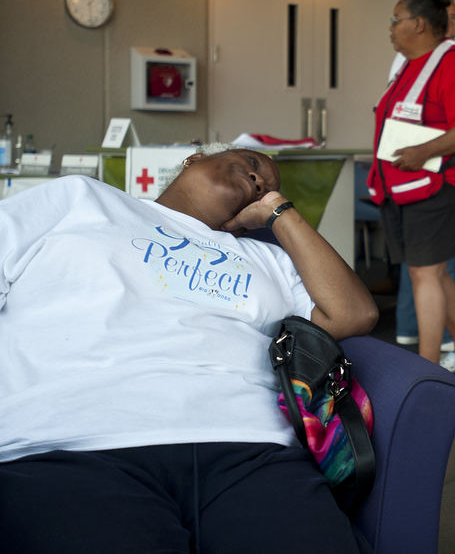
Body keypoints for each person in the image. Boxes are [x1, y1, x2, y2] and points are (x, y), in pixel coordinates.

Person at [0, 145, 379, 553]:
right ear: (194, 159)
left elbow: (354, 314)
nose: (258, 181)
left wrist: (277, 212)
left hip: (248, 449)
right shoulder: (80, 199)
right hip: (68, 442)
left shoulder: (265, 258)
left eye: (265, 187)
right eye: (253, 165)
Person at [367, 0, 455, 372]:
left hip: (441, 186)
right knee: (432, 272)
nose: (390, 27)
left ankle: (426, 368)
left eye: (396, 19)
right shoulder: (409, 66)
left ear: (419, 23)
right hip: (406, 187)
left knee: (425, 272)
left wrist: (424, 152)